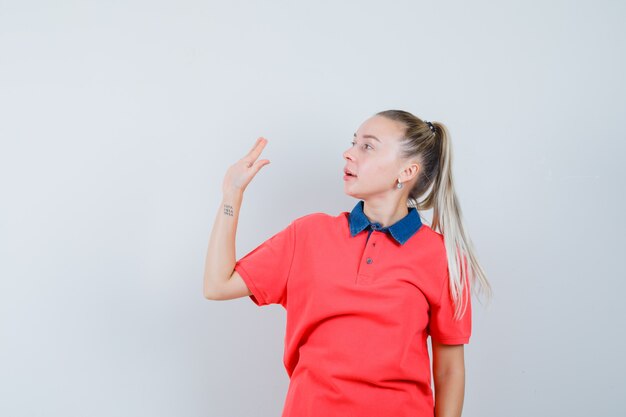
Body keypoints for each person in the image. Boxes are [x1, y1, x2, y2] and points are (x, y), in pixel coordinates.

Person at [203, 109, 493, 417]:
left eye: (367, 146)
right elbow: (217, 284)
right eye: (353, 143)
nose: (349, 153)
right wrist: (231, 196)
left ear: (407, 171)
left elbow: (449, 372)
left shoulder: (444, 258)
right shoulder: (308, 235)